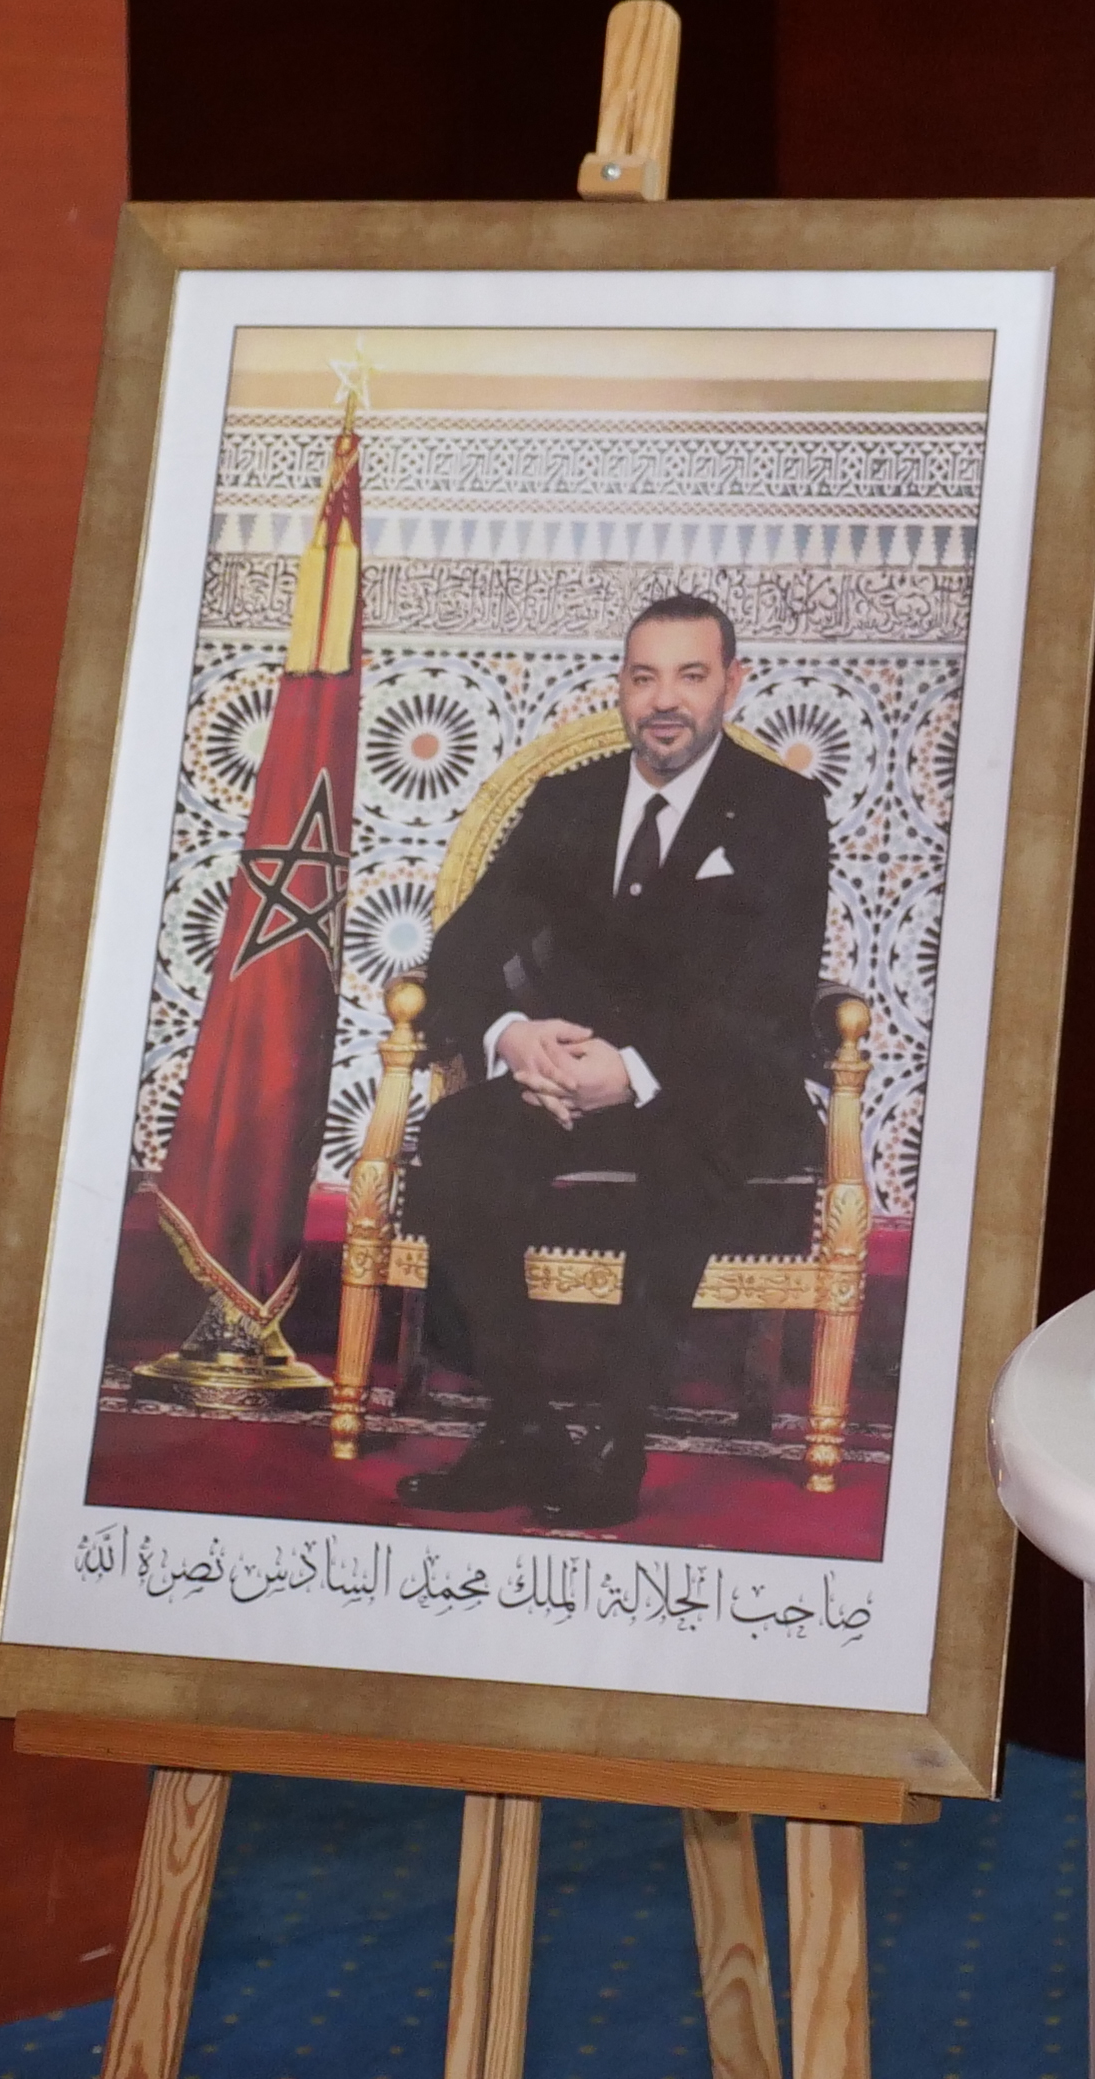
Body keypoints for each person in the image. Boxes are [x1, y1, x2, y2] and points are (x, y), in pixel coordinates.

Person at [395, 594, 831, 1530]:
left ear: (732, 683)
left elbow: (770, 995)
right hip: (566, 1078)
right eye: (644, 677)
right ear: (622, 689)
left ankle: (616, 1440)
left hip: (712, 1085)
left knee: (682, 1145)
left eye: (690, 675)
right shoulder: (571, 801)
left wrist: (631, 1069)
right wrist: (514, 1039)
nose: (664, 699)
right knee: (461, 1134)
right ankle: (521, 1425)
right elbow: (463, 952)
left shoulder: (783, 810)